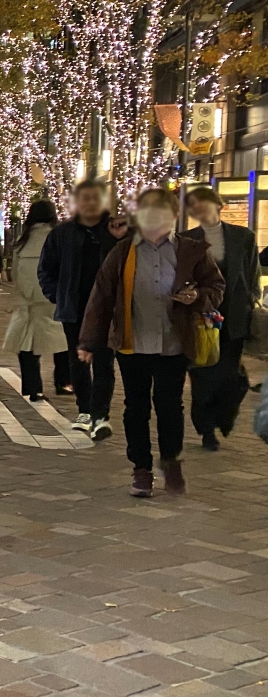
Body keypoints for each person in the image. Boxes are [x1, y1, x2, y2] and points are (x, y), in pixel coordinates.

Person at [79, 187, 224, 498]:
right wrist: (89, 341)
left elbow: (215, 286)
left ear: (173, 216)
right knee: (136, 407)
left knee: (170, 406)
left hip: (174, 343)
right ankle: (141, 468)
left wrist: (197, 296)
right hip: (133, 343)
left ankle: (171, 461)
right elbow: (102, 296)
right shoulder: (123, 253)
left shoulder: (191, 251)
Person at [38, 180, 130, 440]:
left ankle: (100, 414)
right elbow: (46, 269)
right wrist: (58, 295)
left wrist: (124, 235)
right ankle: (85, 410)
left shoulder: (116, 230)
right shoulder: (62, 233)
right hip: (74, 307)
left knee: (104, 361)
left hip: (107, 308)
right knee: (77, 360)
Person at [183, 186, 261, 450]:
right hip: (202, 316)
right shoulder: (188, 239)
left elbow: (252, 274)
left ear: (218, 206)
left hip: (234, 314)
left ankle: (225, 416)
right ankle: (206, 429)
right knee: (203, 375)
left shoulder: (243, 237)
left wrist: (250, 300)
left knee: (229, 376)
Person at [3, 199, 67, 401]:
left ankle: (33, 387)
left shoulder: (23, 241)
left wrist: (24, 293)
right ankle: (64, 382)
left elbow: (15, 273)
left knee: (27, 345)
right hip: (54, 298)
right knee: (63, 342)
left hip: (29, 301)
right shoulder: (59, 237)